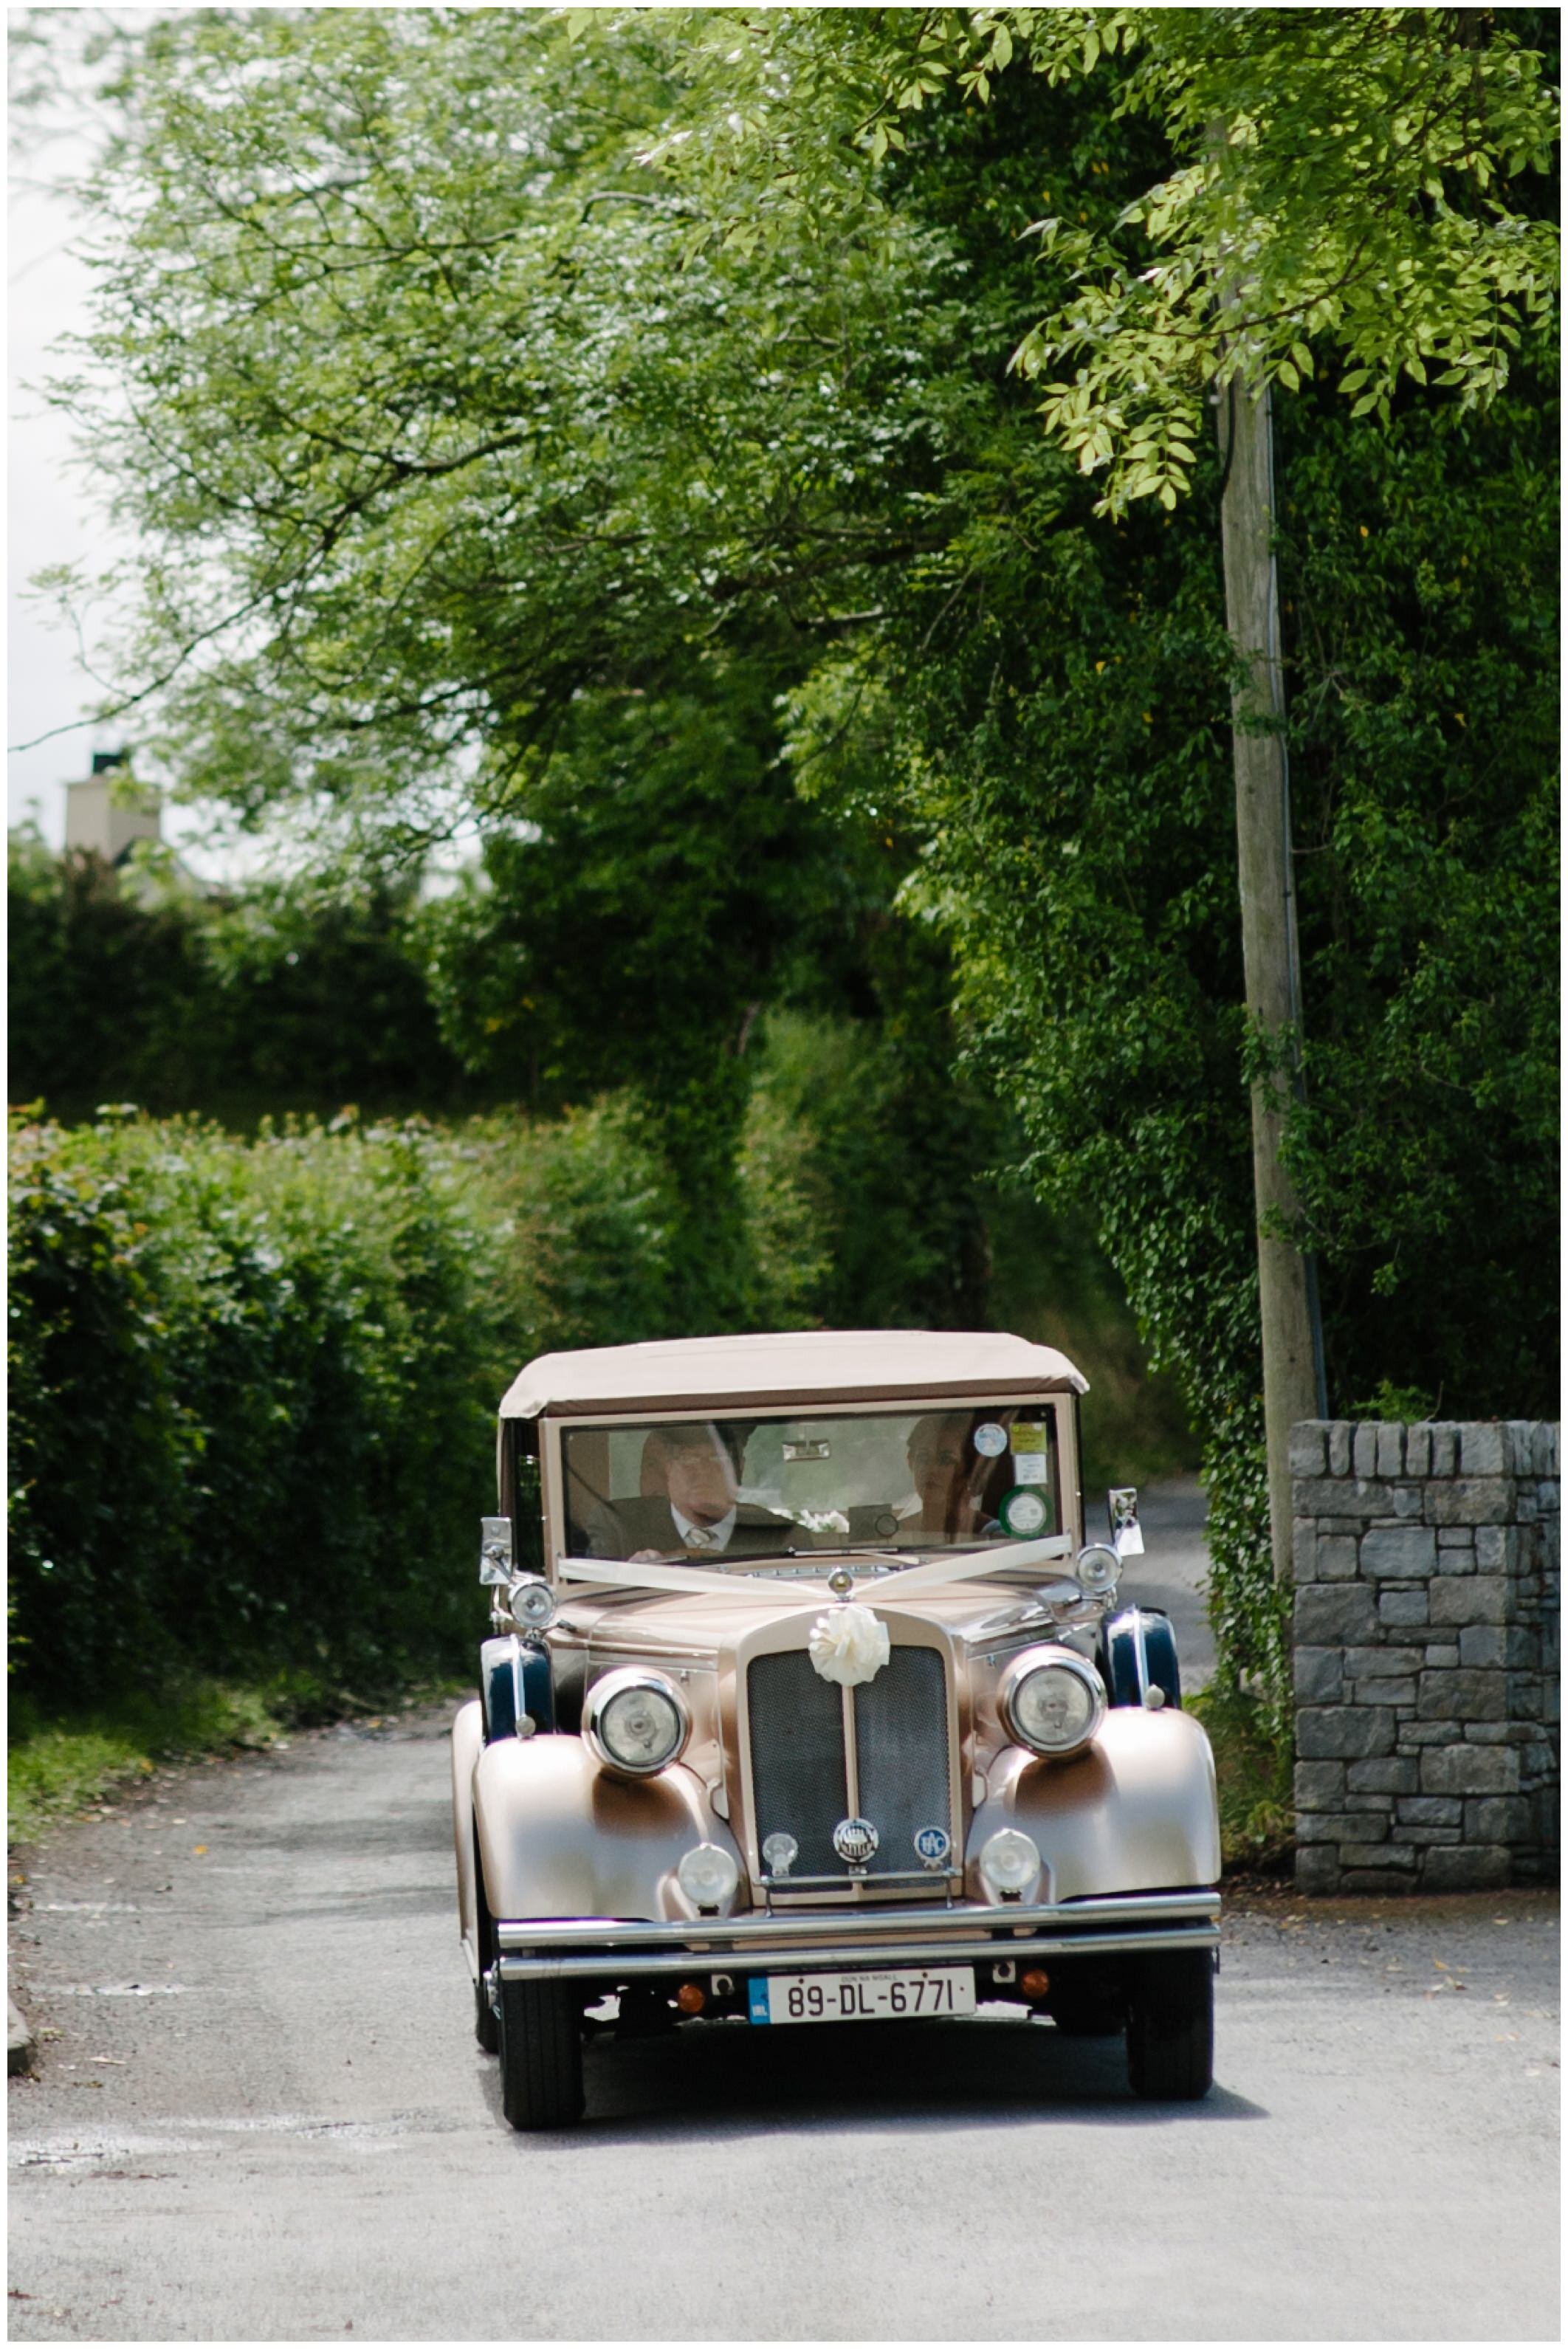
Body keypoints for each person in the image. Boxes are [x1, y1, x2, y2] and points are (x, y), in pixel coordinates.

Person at [586, 1423, 797, 1563]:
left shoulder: (782, 1537)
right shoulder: (617, 1526)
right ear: (669, 1469)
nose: (702, 1471)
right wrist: (631, 1574)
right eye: (689, 1459)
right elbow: (590, 1600)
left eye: (717, 1460)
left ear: (739, 1469)